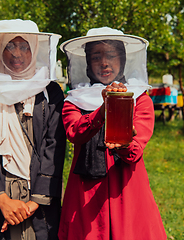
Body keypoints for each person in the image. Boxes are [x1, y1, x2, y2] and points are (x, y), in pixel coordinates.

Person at [58, 27, 167, 240]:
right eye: (96, 56)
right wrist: (103, 110)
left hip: (126, 188)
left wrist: (125, 143)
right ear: (88, 63)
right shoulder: (74, 100)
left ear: (123, 60)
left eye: (111, 55)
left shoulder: (140, 99)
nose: (104, 63)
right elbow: (75, 132)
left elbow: (135, 151)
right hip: (85, 193)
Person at [0, 19, 66, 240]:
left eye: (24, 46)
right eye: (10, 46)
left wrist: (35, 201)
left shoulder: (49, 91)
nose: (16, 53)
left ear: (35, 49)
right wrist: (2, 200)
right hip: (0, 193)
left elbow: (55, 144)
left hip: (39, 195)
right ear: (0, 49)